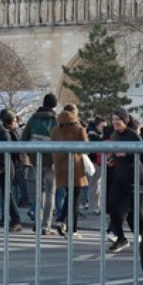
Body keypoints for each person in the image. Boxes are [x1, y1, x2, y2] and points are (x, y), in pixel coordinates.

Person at [103, 111, 143, 252]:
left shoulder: (133, 135)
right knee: (112, 206)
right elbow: (115, 152)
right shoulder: (114, 136)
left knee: (133, 210)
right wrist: (112, 159)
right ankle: (121, 238)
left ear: (125, 121)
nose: (115, 122)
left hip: (134, 177)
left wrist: (127, 154)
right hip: (119, 176)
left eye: (118, 119)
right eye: (113, 119)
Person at [48, 105, 90, 235]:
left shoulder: (55, 129)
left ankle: (62, 220)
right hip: (75, 167)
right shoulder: (79, 129)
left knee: (69, 195)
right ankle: (73, 228)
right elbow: (86, 148)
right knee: (75, 197)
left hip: (60, 166)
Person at [25, 92, 61, 225]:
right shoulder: (56, 120)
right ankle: (46, 224)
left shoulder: (33, 118)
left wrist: (31, 155)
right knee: (51, 193)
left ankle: (37, 222)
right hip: (52, 161)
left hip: (36, 159)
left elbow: (24, 138)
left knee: (39, 192)